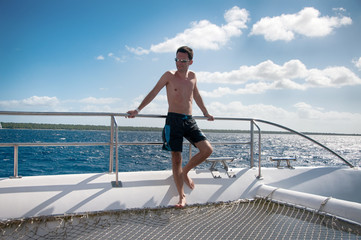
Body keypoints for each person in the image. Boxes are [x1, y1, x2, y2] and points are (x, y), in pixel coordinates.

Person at [127, 46, 214, 208]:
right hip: (173, 120)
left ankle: (185, 171)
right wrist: (138, 110)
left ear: (191, 62)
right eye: (177, 60)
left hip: (189, 120)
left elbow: (196, 95)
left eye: (183, 61)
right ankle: (181, 197)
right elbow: (153, 92)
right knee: (176, 158)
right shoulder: (169, 75)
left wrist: (206, 112)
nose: (179, 63)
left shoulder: (193, 76)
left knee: (207, 150)